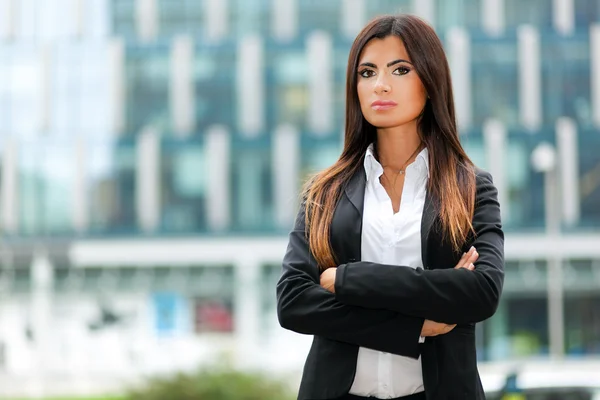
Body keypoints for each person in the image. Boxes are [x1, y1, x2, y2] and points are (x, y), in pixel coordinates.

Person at [276, 13, 504, 400]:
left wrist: (351, 279)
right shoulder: (324, 191)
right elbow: (294, 301)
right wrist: (413, 326)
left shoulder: (470, 188)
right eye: (367, 73)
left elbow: (481, 291)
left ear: (430, 82)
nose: (380, 85)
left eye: (400, 69)